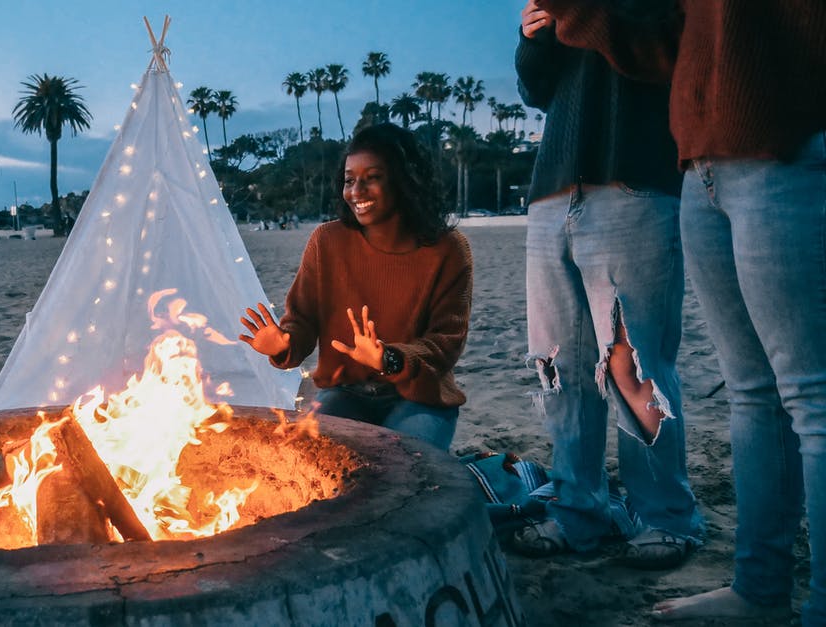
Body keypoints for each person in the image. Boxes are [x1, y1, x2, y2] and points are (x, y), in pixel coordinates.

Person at [537, 0, 826, 622]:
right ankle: (760, 589)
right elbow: (670, 48)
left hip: (789, 149)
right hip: (701, 164)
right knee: (752, 394)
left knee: (810, 395)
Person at [512, 0, 702, 569]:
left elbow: (670, 55)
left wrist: (582, 14)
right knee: (561, 368)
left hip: (636, 183)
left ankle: (666, 515)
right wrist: (533, 39)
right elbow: (537, 91)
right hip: (551, 190)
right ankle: (578, 510)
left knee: (633, 363)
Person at [239, 122, 472, 451]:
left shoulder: (447, 248)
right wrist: (283, 344)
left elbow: (446, 344)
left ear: (404, 180)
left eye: (372, 178)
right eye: (350, 180)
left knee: (401, 467)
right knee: (315, 462)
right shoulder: (327, 241)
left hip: (420, 397)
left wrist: (387, 358)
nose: (356, 192)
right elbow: (303, 319)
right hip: (344, 392)